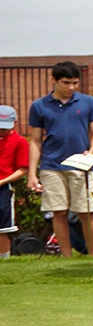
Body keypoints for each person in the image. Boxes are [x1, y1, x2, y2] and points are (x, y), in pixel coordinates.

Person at [26, 61, 93, 258]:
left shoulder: (88, 102)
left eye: (75, 83)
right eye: (66, 82)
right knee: (58, 212)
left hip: (80, 164)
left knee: (86, 212)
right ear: (54, 80)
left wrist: (92, 152)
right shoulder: (39, 106)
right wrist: (32, 174)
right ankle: (66, 256)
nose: (71, 87)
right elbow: (35, 141)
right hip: (51, 165)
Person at [0, 106, 28, 258]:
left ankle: (3, 258)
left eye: (4, 128)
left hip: (4, 187)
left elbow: (23, 169)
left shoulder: (19, 142)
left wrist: (3, 181)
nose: (1, 131)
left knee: (3, 227)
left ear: (15, 123)